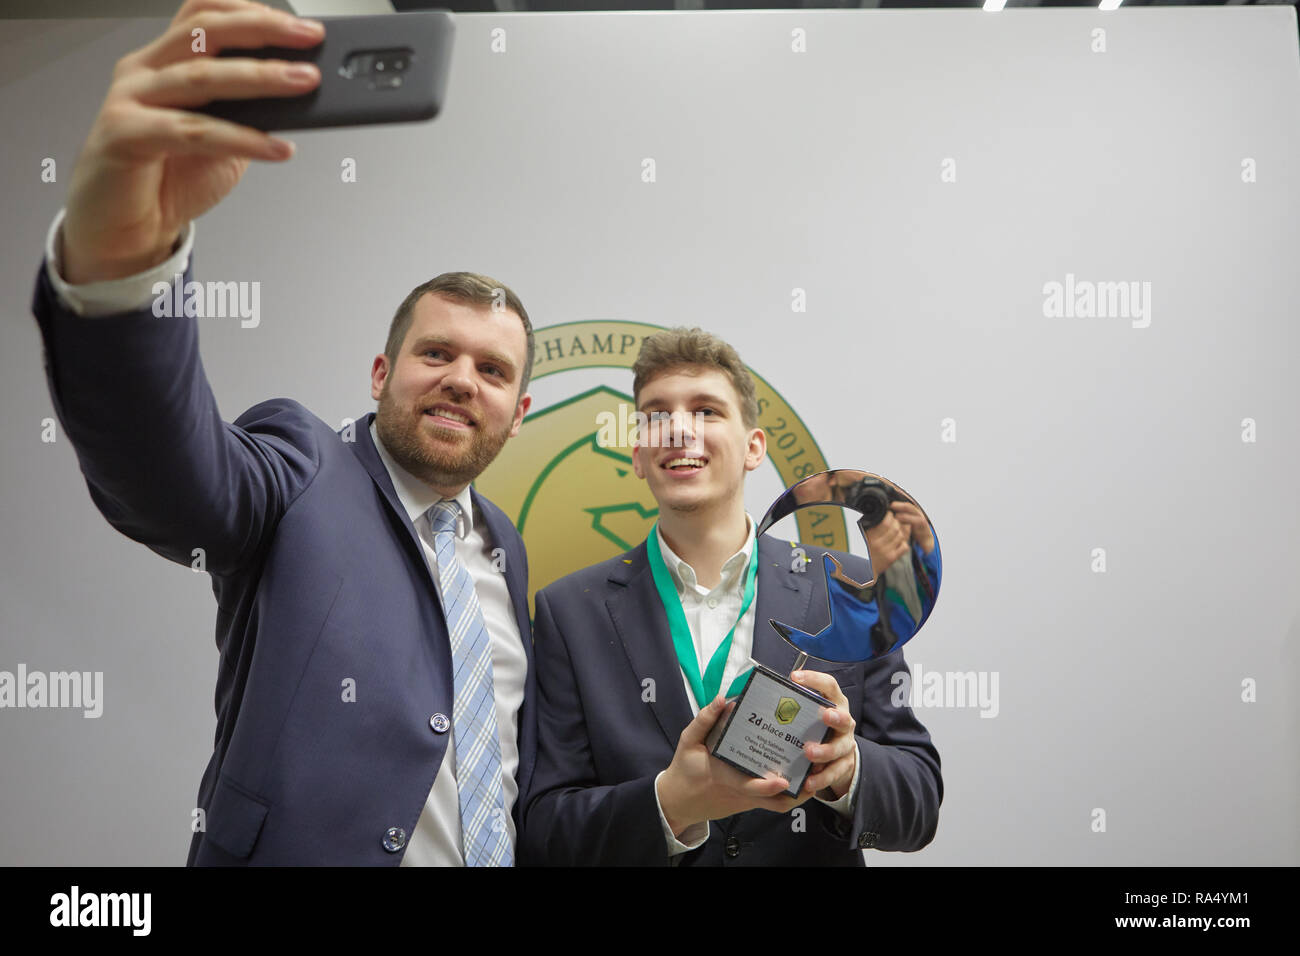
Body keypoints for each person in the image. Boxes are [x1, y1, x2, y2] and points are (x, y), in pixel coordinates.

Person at [28, 0, 535, 866]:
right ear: (381, 375)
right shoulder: (302, 466)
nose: (461, 379)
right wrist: (123, 252)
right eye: (437, 353)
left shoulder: (506, 550)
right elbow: (167, 477)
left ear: (518, 412)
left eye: (492, 371)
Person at [521, 328, 942, 865]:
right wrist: (670, 803)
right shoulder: (568, 612)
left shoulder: (850, 589)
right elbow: (545, 829)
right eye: (656, 414)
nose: (678, 429)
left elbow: (920, 805)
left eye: (706, 411)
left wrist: (847, 769)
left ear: (754, 448)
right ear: (638, 455)